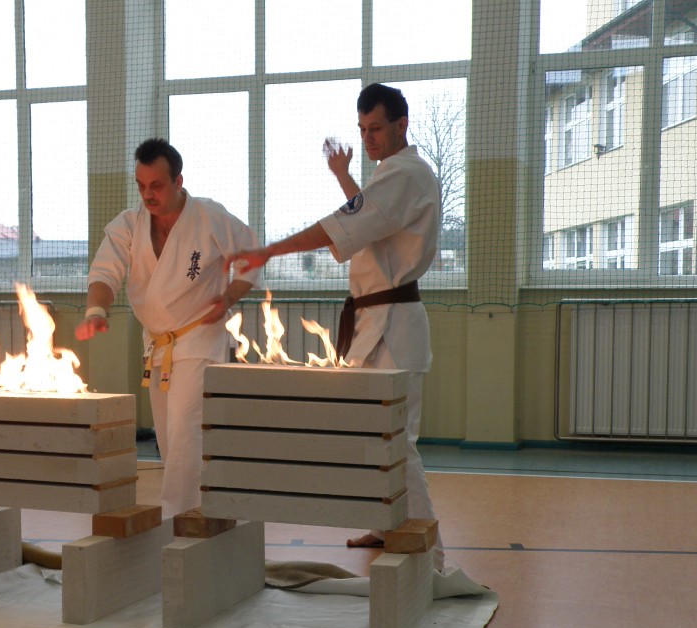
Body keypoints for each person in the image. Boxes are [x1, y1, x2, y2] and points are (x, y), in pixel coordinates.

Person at [226, 83, 445, 569]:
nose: (368, 138)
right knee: (373, 434)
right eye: (362, 130)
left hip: (393, 325)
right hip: (375, 322)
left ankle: (430, 555)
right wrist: (344, 177)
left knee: (397, 443)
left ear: (402, 125)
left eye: (376, 128)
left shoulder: (406, 173)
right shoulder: (392, 176)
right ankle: (385, 526)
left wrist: (269, 251)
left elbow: (338, 227)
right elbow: (366, 223)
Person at [76, 138, 261, 519]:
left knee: (184, 431)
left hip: (200, 337)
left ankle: (179, 518)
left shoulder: (209, 217)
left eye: (157, 186)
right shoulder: (129, 224)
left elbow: (252, 258)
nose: (148, 195)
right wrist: (96, 310)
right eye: (141, 186)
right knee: (168, 436)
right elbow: (105, 272)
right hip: (158, 345)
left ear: (178, 181)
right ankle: (203, 510)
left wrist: (228, 297)